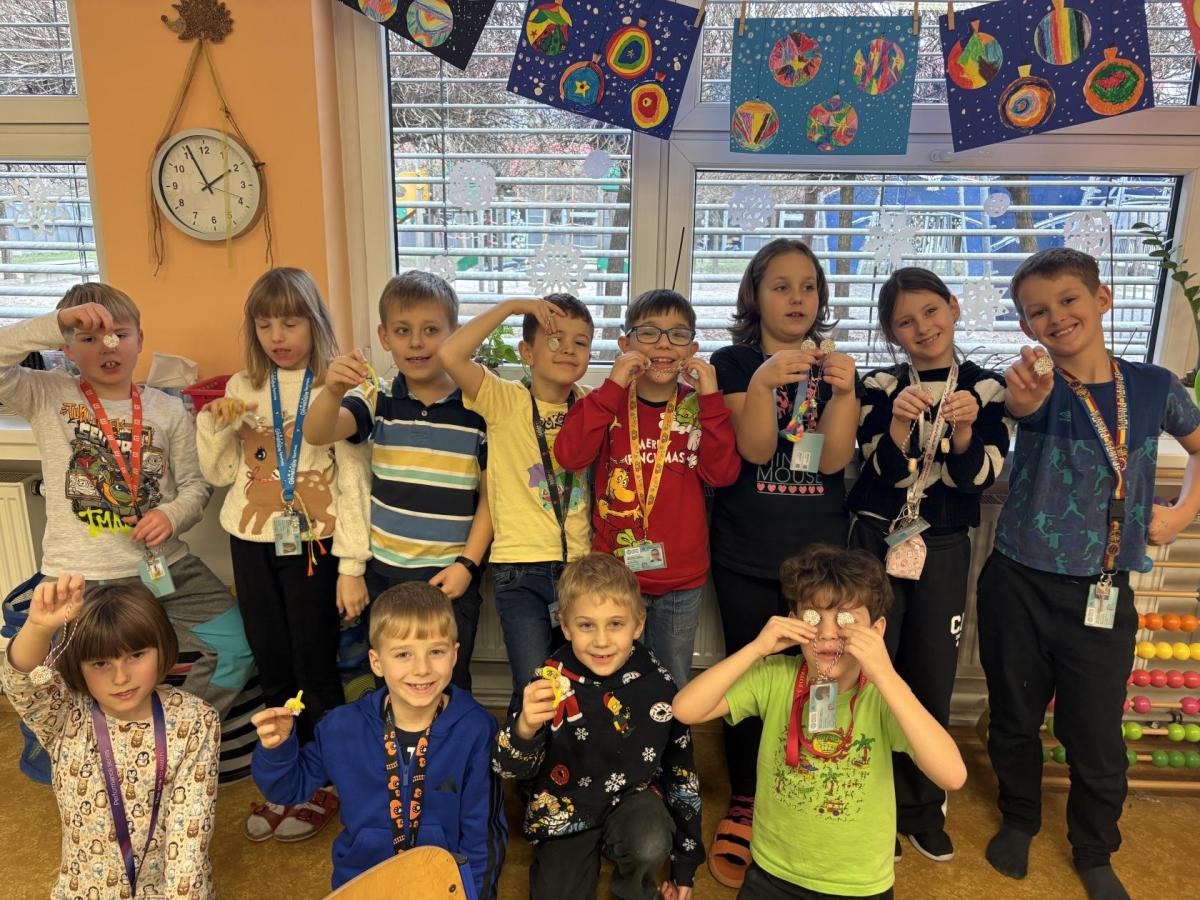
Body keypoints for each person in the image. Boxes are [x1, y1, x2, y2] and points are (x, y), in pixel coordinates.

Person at [980, 247, 1200, 900]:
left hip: (1103, 589)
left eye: (1068, 300)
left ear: (1102, 299)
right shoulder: (1031, 386)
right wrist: (1023, 404)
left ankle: (1095, 848)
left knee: (1097, 735)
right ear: (1026, 326)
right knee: (1014, 716)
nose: (1055, 317)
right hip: (1017, 582)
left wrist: (1181, 513)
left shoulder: (1156, 387)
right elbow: (1014, 413)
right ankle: (1020, 817)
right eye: (1037, 312)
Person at [0, 283, 256, 779]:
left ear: (141, 339)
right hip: (80, 576)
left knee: (237, 647)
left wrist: (172, 515)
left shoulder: (167, 409)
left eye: (119, 334)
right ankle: (102, 757)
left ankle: (171, 742)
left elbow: (196, 486)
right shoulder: (47, 393)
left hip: (165, 567)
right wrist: (58, 323)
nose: (107, 347)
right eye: (88, 338)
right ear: (66, 347)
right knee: (63, 677)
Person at [673, 545, 967, 899]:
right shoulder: (775, 677)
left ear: (877, 630)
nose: (827, 633)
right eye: (813, 617)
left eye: (846, 620)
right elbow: (685, 709)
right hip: (772, 871)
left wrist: (885, 675)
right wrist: (756, 648)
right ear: (793, 621)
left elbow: (952, 775)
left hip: (857, 885)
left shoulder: (883, 696)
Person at [707, 238, 862, 887]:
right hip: (745, 552)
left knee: (820, 672)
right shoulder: (733, 361)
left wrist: (845, 394)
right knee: (749, 676)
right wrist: (766, 379)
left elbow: (832, 461)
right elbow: (752, 448)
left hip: (818, 561)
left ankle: (811, 777)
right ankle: (746, 795)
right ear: (755, 295)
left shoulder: (837, 368)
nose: (796, 298)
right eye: (781, 286)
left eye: (808, 286)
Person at [197, 267, 371, 840]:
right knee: (271, 665)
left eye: (290, 322)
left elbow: (353, 483)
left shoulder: (338, 383)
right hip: (251, 542)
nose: (277, 335)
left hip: (315, 545)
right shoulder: (243, 386)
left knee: (314, 666)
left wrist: (352, 567)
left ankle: (325, 780)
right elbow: (219, 472)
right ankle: (282, 779)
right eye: (265, 323)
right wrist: (215, 425)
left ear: (315, 322)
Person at [846, 267, 1009, 862]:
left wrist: (962, 432)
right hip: (876, 539)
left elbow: (978, 479)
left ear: (954, 307)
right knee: (867, 668)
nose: (922, 328)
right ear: (892, 334)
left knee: (931, 674)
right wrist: (896, 421)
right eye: (905, 322)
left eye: (931, 312)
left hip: (942, 544)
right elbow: (882, 471)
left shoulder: (987, 388)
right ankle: (867, 802)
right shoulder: (880, 384)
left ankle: (920, 806)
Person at [251, 581, 506, 898]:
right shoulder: (341, 727)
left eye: (436, 651)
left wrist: (473, 894)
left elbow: (482, 833)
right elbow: (288, 790)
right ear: (376, 662)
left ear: (455, 656)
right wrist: (277, 750)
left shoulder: (475, 729)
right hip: (362, 880)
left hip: (442, 883)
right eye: (403, 654)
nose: (422, 669)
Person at [302, 271, 490, 691]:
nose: (417, 342)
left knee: (450, 681)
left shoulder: (478, 409)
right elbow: (317, 433)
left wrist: (467, 565)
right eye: (403, 331)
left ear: (455, 335)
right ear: (384, 337)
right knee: (392, 682)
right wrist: (331, 390)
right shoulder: (377, 399)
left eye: (431, 330)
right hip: (385, 575)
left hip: (450, 577)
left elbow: (491, 499)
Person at [554, 288, 741, 686]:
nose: (664, 344)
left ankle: (668, 732)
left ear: (692, 349)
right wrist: (613, 385)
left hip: (680, 580)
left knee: (670, 681)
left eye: (678, 335)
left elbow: (722, 474)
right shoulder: (607, 402)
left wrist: (711, 398)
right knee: (608, 678)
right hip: (612, 576)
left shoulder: (700, 407)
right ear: (625, 345)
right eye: (649, 332)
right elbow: (570, 456)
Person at [491, 553, 703, 900]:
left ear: (638, 624)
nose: (601, 641)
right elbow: (507, 769)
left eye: (615, 624)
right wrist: (525, 728)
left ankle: (635, 889)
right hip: (566, 806)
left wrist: (685, 865)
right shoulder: (548, 680)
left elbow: (682, 775)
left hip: (634, 802)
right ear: (565, 626)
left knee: (649, 841)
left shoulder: (661, 686)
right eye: (587, 625)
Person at [2, 574, 219, 898]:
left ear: (162, 647)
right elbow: (20, 682)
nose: (121, 677)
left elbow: (189, 840)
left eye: (136, 655)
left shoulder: (196, 721)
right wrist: (37, 627)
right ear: (79, 665)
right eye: (101, 662)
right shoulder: (65, 716)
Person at [437, 294, 593, 705]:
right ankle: (523, 748)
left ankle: (569, 749)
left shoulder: (592, 404)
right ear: (527, 352)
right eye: (555, 339)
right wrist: (512, 307)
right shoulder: (504, 400)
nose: (569, 350)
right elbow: (450, 354)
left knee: (577, 683)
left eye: (580, 342)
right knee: (533, 683)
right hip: (519, 569)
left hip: (578, 567)